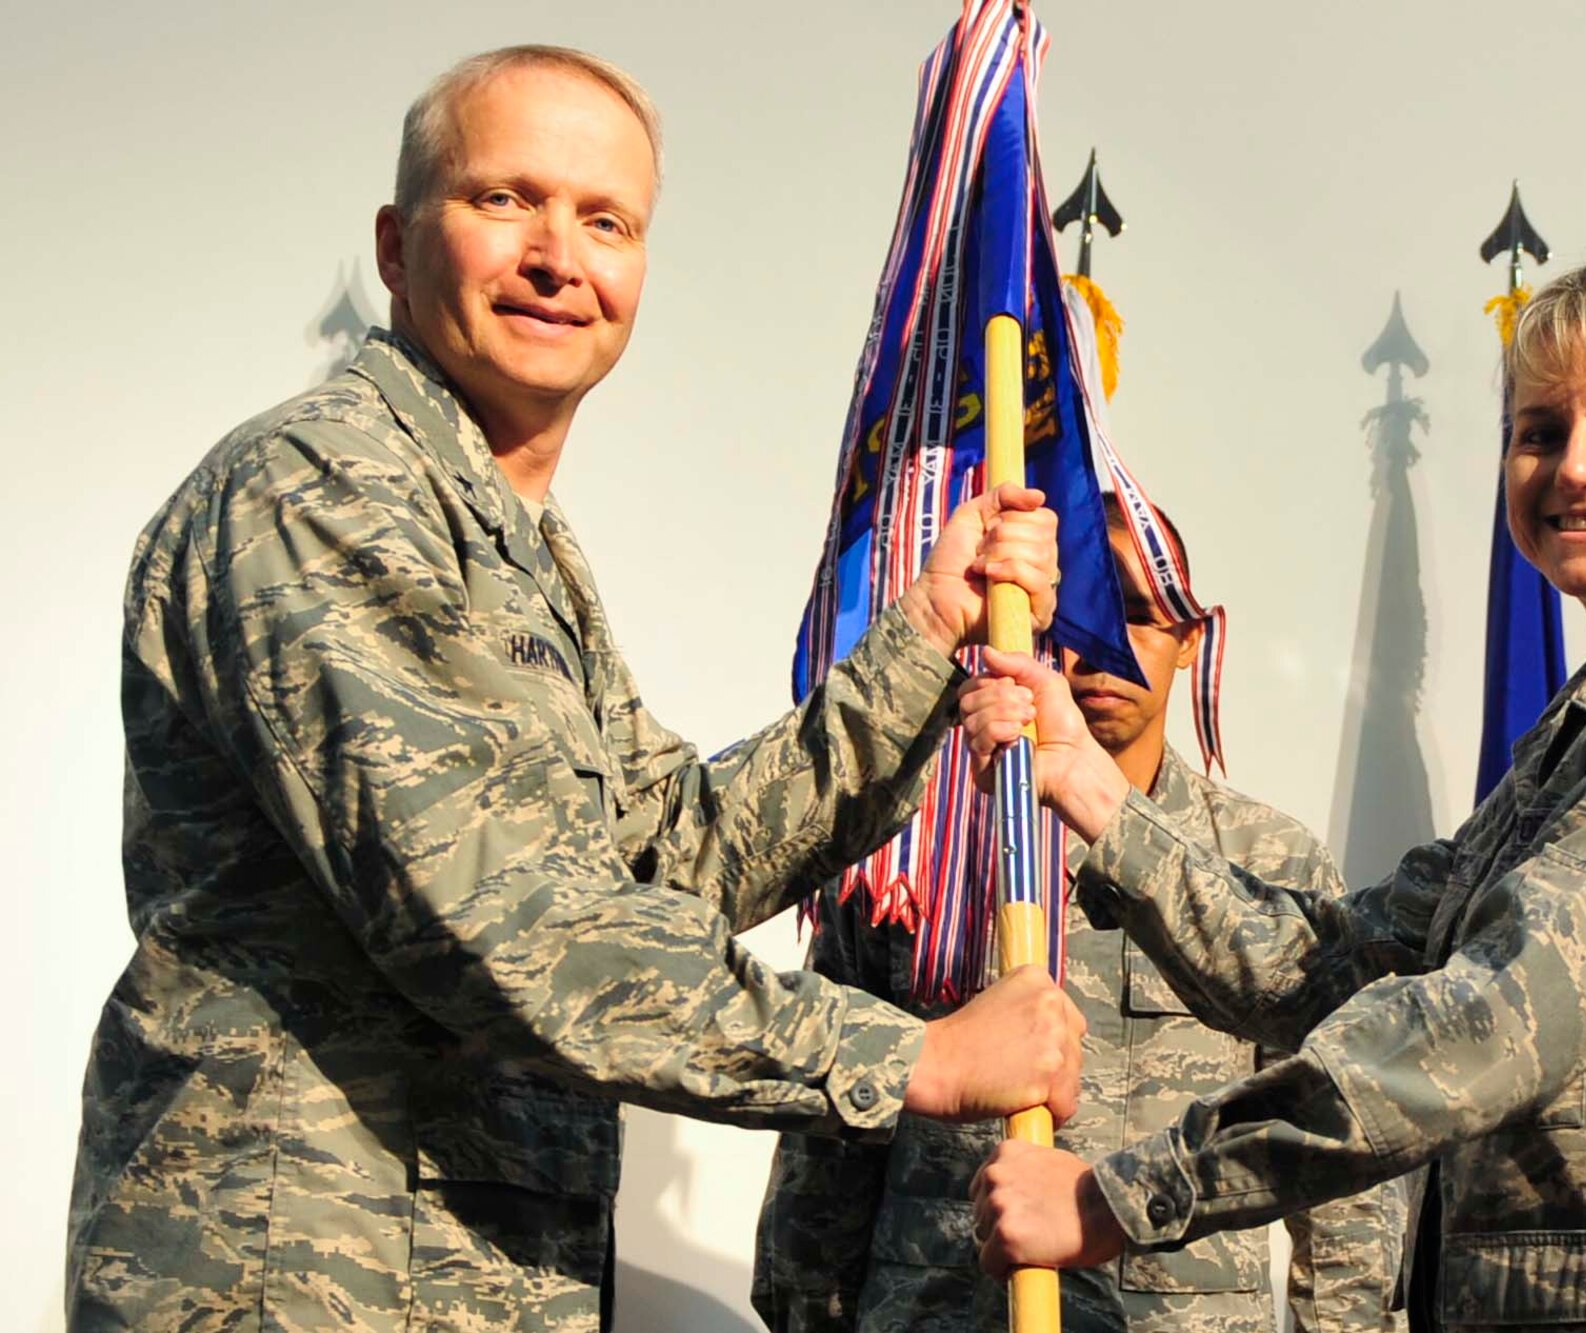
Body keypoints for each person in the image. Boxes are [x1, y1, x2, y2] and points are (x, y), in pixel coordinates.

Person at [68, 45, 1086, 1333]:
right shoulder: (322, 492)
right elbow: (515, 927)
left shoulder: (517, 542)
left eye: (605, 221)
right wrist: (920, 1058)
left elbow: (669, 860)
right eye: (505, 200)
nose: (560, 255)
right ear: (394, 245)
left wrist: (929, 637)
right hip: (304, 1283)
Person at [964, 254, 1586, 1332]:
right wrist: (1095, 796)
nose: (1574, 466)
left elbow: (1493, 1014)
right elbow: (1334, 969)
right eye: (1536, 431)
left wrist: (1122, 1193)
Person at [752, 501, 1409, 1333]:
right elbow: (827, 1140)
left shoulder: (1264, 863)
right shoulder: (919, 860)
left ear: (1193, 638)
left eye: (1136, 613)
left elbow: (1336, 1140)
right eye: (1081, 613)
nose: (1104, 648)